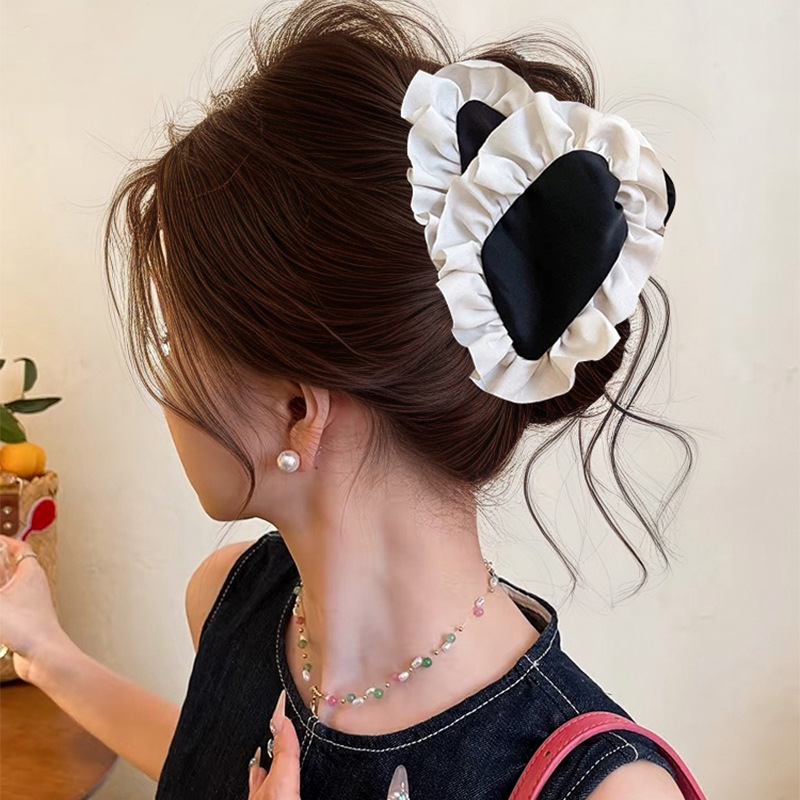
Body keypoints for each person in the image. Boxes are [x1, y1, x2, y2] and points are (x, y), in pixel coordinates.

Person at [0, 0, 697, 798]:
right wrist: (44, 649)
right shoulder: (236, 601)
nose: (164, 386)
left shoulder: (605, 789)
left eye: (174, 342)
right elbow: (208, 761)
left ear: (297, 411)